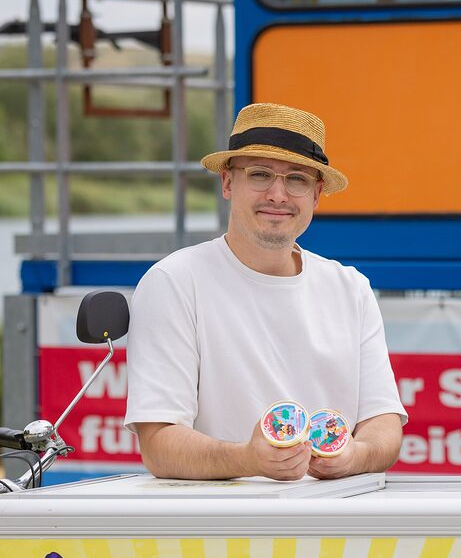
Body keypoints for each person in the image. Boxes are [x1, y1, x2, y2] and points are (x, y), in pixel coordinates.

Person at [124, 102, 406, 481]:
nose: (278, 194)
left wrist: (356, 456)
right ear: (227, 182)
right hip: (223, 530)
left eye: (297, 179)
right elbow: (158, 445)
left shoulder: (350, 287)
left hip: (338, 524)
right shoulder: (174, 281)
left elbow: (383, 421)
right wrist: (247, 460)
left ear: (317, 195)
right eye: (259, 174)